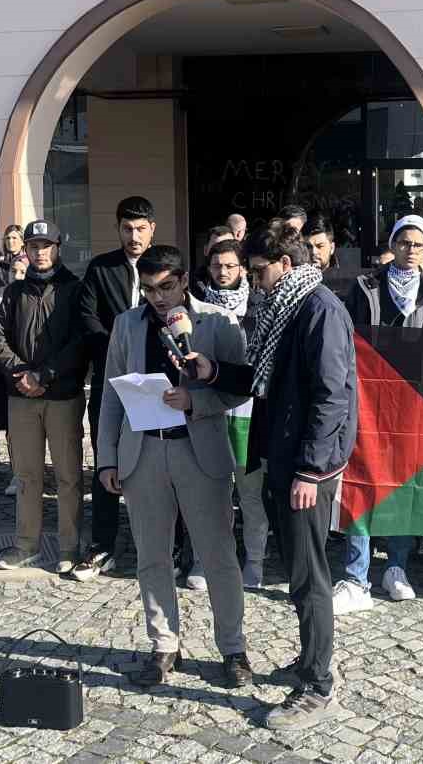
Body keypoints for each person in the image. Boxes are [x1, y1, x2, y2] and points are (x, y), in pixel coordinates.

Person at [182, 224, 356, 728]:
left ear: (284, 261)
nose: (254, 282)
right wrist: (213, 371)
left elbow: (331, 398)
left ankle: (318, 688)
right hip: (285, 459)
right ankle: (311, 662)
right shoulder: (286, 307)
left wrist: (310, 469)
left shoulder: (318, 309)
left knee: (308, 578)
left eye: (258, 270)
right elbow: (262, 376)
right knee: (302, 573)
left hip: (306, 467)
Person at [97, 245, 253, 688]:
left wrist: (195, 401)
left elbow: (241, 387)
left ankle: (233, 648)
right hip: (142, 452)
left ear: (185, 280)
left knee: (218, 556)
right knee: (151, 556)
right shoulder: (127, 324)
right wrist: (107, 456)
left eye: (166, 287)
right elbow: (110, 395)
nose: (158, 297)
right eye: (149, 289)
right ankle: (164, 645)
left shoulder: (219, 321)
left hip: (198, 450)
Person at [336, 214, 423, 611]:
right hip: (367, 398)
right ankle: (355, 575)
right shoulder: (365, 286)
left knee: (402, 484)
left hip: (411, 402)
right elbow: (347, 334)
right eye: (404, 242)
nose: (410, 250)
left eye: (418, 244)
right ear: (393, 244)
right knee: (362, 483)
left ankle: (396, 566)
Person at [0, 220, 89, 573]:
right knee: (27, 475)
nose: (40, 252)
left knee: (68, 476)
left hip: (62, 395)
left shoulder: (75, 290)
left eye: (46, 245)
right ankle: (26, 544)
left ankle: (69, 546)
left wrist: (44, 374)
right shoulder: (12, 292)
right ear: (24, 250)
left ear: (57, 247)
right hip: (21, 396)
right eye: (33, 246)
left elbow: (80, 342)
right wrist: (21, 374)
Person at [75, 196, 159, 580]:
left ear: (152, 229)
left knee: (158, 460)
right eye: (127, 228)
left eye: (141, 228)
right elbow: (86, 316)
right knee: (105, 458)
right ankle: (103, 545)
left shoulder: (165, 267)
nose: (134, 235)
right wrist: (117, 348)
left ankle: (163, 547)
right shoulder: (100, 268)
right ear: (118, 228)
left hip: (155, 382)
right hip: (111, 378)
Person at [190, 237, 270, 587]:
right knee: (209, 495)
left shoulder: (262, 306)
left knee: (250, 495)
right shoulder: (196, 308)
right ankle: (203, 560)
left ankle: (255, 560)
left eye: (230, 266)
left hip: (249, 413)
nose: (222, 272)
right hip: (209, 410)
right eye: (216, 266)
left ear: (242, 269)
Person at [0, 224, 27, 289]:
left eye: (14, 238)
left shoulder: (29, 262)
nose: (10, 241)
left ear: (22, 242)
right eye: (8, 238)